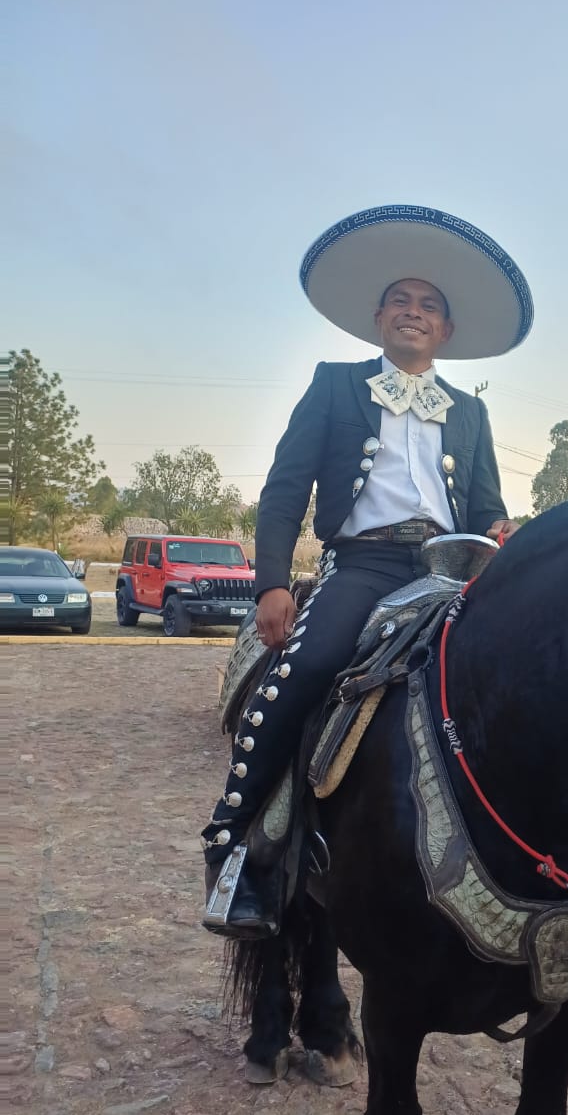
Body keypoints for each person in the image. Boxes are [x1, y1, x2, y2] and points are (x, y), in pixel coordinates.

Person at [201, 205, 534, 937]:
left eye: (430, 307)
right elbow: (286, 491)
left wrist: (502, 528)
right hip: (365, 564)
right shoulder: (334, 385)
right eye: (402, 302)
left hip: (454, 570)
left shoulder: (469, 415)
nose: (414, 314)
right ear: (379, 317)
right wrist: (272, 582)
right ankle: (237, 852)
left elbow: (486, 506)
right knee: (312, 661)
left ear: (446, 331)